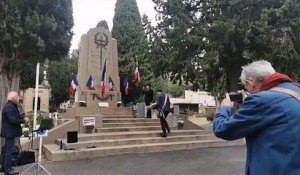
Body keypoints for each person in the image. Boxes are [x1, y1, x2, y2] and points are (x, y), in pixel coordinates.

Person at [213, 60, 300, 175]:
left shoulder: (261, 101)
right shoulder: (295, 91)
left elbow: (222, 129)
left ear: (251, 83)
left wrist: (225, 108)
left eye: (246, 87)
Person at [1, 91, 28, 175]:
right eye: (17, 97)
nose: (18, 98)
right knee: (9, 151)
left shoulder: (13, 106)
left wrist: (22, 115)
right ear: (13, 98)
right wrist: (24, 120)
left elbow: (15, 117)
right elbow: (12, 120)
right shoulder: (9, 107)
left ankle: (4, 167)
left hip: (10, 132)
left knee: (7, 150)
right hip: (10, 132)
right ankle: (8, 170)